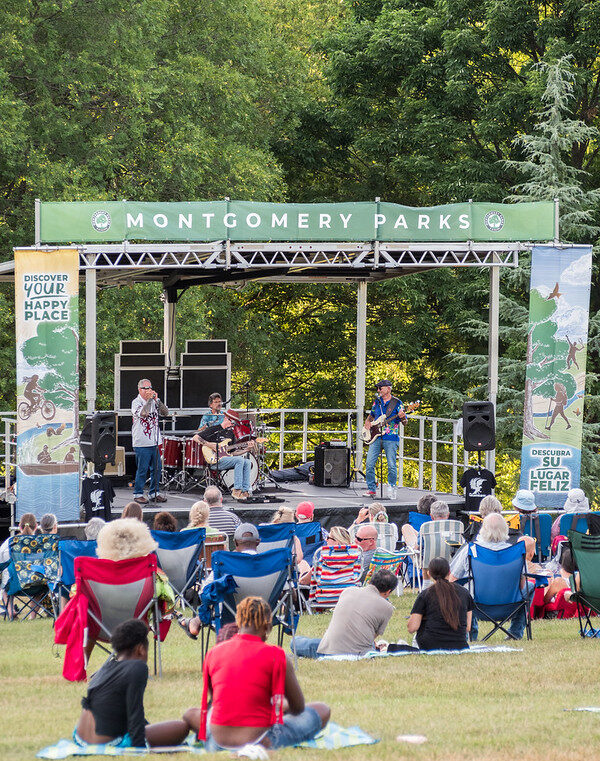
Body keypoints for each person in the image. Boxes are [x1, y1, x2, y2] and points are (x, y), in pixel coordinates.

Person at [186, 596, 330, 751]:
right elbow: (298, 708)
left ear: (239, 622)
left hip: (217, 742)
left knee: (192, 713)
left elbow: (216, 700)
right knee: (321, 709)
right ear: (268, 625)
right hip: (260, 740)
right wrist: (281, 706)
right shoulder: (276, 656)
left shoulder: (214, 653)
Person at [74, 619, 192, 748]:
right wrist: (139, 748)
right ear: (141, 649)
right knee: (182, 727)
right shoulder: (137, 667)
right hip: (108, 742)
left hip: (80, 739)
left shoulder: (104, 669)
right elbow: (135, 711)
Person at [450, 513, 529, 640]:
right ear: (505, 529)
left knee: (463, 590)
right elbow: (522, 585)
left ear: (483, 530)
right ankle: (515, 632)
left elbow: (453, 579)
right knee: (530, 586)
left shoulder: (471, 550)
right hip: (510, 605)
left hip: (476, 606)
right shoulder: (516, 552)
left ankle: (469, 633)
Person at [294, 569, 398, 658]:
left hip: (329, 650)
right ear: (388, 591)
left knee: (295, 642)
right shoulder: (387, 607)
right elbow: (373, 636)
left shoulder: (347, 591)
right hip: (360, 652)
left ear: (371, 581)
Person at [407, 557, 473, 651]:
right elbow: (468, 627)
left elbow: (412, 628)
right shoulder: (465, 593)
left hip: (430, 645)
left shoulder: (425, 594)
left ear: (429, 574)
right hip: (459, 644)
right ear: (449, 572)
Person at [363, 379, 407, 499]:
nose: (378, 390)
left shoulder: (397, 403)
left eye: (380, 388)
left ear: (388, 388)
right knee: (369, 463)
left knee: (391, 465)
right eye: (378, 388)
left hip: (391, 437)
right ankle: (371, 489)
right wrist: (367, 422)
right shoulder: (377, 402)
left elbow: (405, 422)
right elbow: (371, 415)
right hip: (376, 436)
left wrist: (403, 417)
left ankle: (392, 488)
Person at [193, 417, 253, 501]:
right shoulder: (214, 429)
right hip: (215, 460)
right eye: (231, 422)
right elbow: (195, 437)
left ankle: (245, 491)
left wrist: (247, 449)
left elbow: (232, 453)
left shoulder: (231, 434)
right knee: (239, 460)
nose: (232, 424)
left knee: (247, 462)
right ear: (225, 419)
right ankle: (237, 490)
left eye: (234, 423)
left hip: (225, 459)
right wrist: (210, 445)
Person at [131, 378, 169, 505]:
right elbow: (143, 413)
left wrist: (157, 400)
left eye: (150, 387)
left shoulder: (154, 401)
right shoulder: (136, 402)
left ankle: (154, 492)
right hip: (141, 442)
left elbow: (165, 413)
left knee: (157, 468)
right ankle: (138, 493)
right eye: (146, 388)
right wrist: (148, 401)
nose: (149, 390)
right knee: (143, 469)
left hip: (154, 440)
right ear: (140, 390)